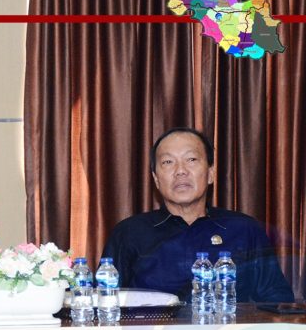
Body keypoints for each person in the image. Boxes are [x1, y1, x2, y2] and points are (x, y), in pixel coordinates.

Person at [101, 127, 294, 303]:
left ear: (211, 173)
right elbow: (104, 303)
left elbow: (277, 301)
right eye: (168, 162)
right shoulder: (129, 234)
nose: (180, 171)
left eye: (191, 160)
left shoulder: (245, 229)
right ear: (156, 179)